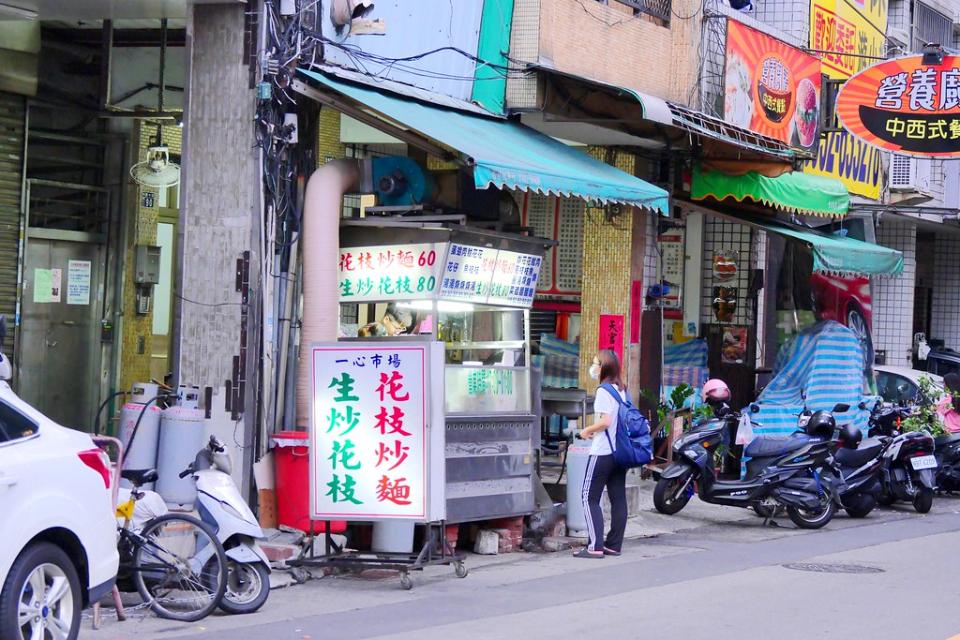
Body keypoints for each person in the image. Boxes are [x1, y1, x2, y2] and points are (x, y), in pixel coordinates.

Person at [574, 350, 628, 559]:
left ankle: (595, 546)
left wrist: (587, 430)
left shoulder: (604, 390)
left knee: (589, 497)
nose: (593, 367)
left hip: (603, 451)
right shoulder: (621, 389)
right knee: (618, 498)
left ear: (604, 367)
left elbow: (606, 421)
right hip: (620, 453)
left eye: (596, 363)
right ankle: (613, 544)